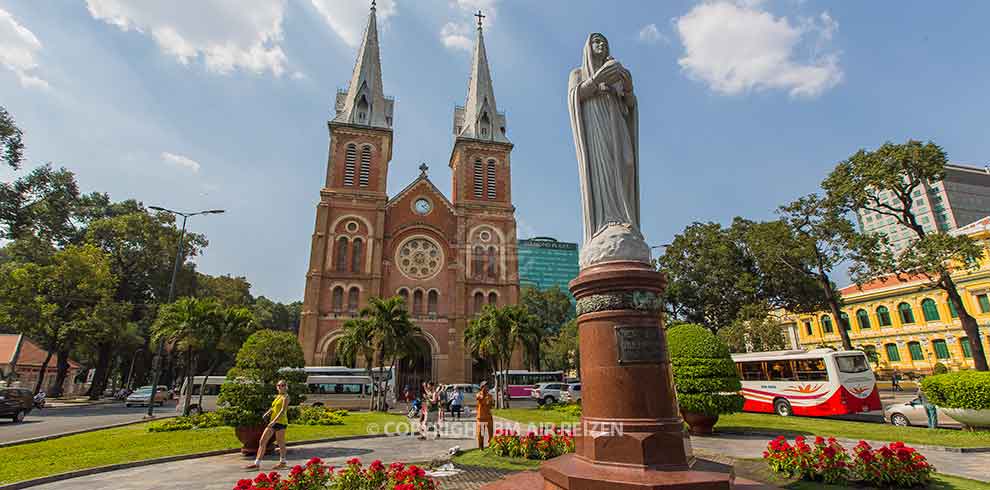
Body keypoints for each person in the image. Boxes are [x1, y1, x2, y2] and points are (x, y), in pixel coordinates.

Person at [244, 380, 289, 470]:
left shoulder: (286, 397)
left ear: (286, 386)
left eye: (283, 385)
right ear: (277, 387)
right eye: (279, 385)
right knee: (262, 441)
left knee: (280, 443)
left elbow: (282, 410)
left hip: (280, 422)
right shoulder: (278, 396)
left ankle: (283, 462)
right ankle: (256, 464)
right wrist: (267, 413)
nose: (280, 387)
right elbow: (273, 407)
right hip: (273, 422)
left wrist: (274, 421)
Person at [476, 381, 494, 449]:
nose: (487, 387)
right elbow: (479, 398)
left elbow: (491, 405)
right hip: (481, 417)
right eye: (485, 386)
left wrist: (491, 402)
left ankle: (490, 445)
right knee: (481, 433)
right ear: (482, 387)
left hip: (489, 417)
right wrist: (483, 394)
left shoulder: (490, 396)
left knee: (490, 433)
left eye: (487, 386)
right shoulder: (478, 394)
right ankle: (481, 447)